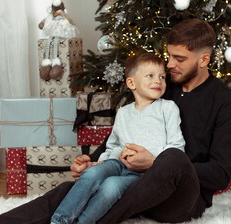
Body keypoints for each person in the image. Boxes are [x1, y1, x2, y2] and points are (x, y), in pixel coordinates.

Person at [0, 18, 231, 224]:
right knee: (76, 189)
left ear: (203, 59)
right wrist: (95, 162)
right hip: (129, 182)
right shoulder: (161, 88)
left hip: (180, 198)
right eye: (169, 56)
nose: (169, 65)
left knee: (173, 157)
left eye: (179, 59)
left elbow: (220, 174)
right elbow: (120, 135)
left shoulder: (227, 104)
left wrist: (155, 163)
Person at [50, 53, 185, 224]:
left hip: (143, 172)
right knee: (91, 173)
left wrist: (153, 159)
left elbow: (176, 147)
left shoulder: (167, 108)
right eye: (150, 75)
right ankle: (60, 220)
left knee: (111, 187)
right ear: (131, 83)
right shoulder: (123, 112)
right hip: (116, 163)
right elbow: (112, 144)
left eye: (162, 77)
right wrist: (101, 162)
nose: (158, 81)